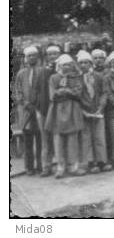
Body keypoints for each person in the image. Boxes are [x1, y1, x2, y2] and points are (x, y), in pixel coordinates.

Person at [45, 54, 85, 178]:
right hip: (57, 110)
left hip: (72, 110)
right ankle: (60, 167)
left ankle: (73, 166)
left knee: (72, 140)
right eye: (64, 65)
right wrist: (67, 92)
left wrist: (65, 91)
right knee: (58, 140)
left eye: (68, 64)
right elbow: (53, 95)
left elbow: (78, 94)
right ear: (59, 65)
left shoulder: (76, 77)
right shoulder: (53, 78)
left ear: (72, 65)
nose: (66, 67)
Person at [77, 50, 111, 174]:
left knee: (99, 136)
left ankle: (102, 161)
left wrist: (101, 107)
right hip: (85, 112)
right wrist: (83, 111)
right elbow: (77, 97)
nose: (83, 65)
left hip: (98, 110)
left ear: (91, 63)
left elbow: (104, 93)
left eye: (86, 62)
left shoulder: (98, 76)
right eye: (81, 63)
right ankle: (92, 162)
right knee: (87, 137)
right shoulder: (77, 78)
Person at [13, 46, 43, 175]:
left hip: (39, 110)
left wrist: (39, 104)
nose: (32, 58)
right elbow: (17, 91)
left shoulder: (43, 71)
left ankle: (41, 165)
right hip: (26, 111)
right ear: (26, 58)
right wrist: (25, 103)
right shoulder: (21, 74)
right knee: (28, 139)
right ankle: (29, 167)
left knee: (41, 139)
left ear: (38, 57)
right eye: (29, 55)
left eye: (34, 55)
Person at [35, 45, 60, 177]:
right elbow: (36, 90)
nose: (52, 56)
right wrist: (38, 108)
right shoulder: (42, 71)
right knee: (45, 140)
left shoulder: (64, 69)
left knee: (59, 138)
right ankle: (46, 166)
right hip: (44, 110)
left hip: (60, 110)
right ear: (46, 57)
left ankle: (62, 165)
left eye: (55, 54)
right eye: (50, 54)